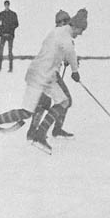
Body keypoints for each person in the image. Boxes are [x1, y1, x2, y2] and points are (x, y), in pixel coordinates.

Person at [0, 8, 87, 154]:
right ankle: (37, 134)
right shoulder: (65, 36)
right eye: (81, 30)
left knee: (44, 107)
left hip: (41, 74)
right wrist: (75, 71)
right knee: (52, 105)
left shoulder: (57, 33)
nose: (81, 34)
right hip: (43, 75)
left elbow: (62, 51)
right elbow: (70, 52)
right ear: (75, 26)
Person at [26, 9, 75, 140]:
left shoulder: (56, 35)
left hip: (43, 72)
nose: (64, 24)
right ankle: (50, 130)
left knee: (44, 102)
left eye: (66, 22)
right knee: (64, 100)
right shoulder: (59, 36)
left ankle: (33, 131)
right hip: (48, 73)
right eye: (61, 22)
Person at [0, 0, 19, 72]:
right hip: (3, 35)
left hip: (10, 35)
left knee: (10, 51)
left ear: (9, 5)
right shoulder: (1, 14)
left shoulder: (13, 14)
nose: (6, 6)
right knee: (1, 51)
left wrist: (11, 30)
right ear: (4, 5)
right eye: (5, 5)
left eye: (7, 5)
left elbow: (16, 24)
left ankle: (10, 68)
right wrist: (2, 30)